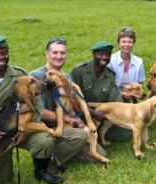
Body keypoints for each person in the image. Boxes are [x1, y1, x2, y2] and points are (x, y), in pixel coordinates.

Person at [0, 36, 63, 184]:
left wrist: (26, 132)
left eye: (4, 53)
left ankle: (41, 171)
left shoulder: (20, 75)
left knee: (44, 140)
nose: (0, 57)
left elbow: (37, 107)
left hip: (21, 130)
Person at [30, 38, 107, 174]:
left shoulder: (66, 78)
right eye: (55, 52)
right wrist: (68, 119)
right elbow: (38, 112)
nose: (59, 56)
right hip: (44, 127)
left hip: (66, 127)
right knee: (82, 136)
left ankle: (59, 150)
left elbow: (78, 109)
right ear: (47, 54)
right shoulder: (36, 76)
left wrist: (70, 94)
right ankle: (49, 161)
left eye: (63, 53)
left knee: (99, 154)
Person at [70, 41, 131, 142]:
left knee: (124, 134)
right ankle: (89, 134)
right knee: (80, 132)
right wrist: (93, 113)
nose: (104, 57)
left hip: (103, 116)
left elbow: (116, 102)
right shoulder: (79, 71)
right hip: (80, 114)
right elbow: (72, 99)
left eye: (107, 55)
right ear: (93, 54)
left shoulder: (110, 75)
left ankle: (96, 134)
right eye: (101, 54)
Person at [107, 27, 145, 102]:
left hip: (132, 98)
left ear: (133, 44)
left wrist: (132, 94)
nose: (127, 44)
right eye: (123, 42)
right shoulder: (110, 60)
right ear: (118, 43)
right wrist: (121, 94)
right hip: (113, 98)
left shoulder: (139, 62)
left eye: (130, 42)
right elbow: (107, 85)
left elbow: (140, 84)